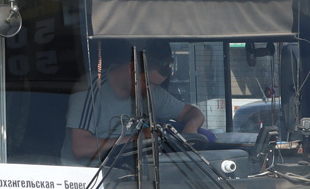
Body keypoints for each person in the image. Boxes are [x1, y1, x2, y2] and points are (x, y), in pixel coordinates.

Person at [63, 38, 205, 164]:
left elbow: (194, 113)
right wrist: (139, 138)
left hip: (132, 178)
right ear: (133, 69)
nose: (152, 90)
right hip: (88, 183)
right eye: (149, 83)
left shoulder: (152, 92)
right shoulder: (91, 89)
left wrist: (190, 129)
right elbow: (79, 147)